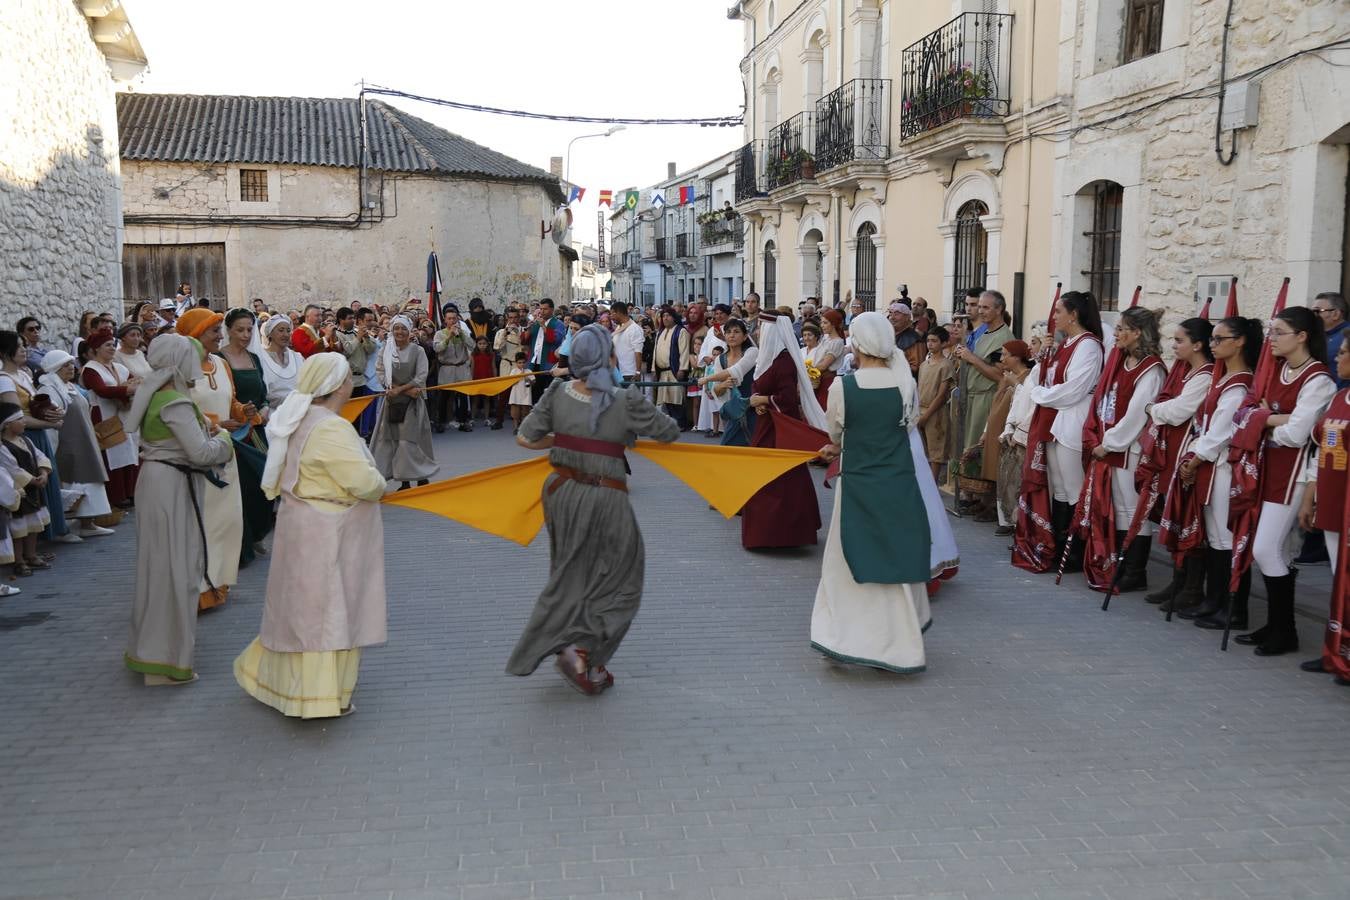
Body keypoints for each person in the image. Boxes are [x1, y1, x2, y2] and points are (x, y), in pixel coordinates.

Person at [508, 325, 681, 694]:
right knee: (624, 577)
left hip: (562, 493)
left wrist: (567, 441)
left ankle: (566, 645)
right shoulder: (625, 399)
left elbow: (525, 437)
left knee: (570, 572)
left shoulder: (556, 392)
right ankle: (582, 649)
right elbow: (668, 431)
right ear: (608, 358)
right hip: (606, 497)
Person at [234, 353, 387, 718]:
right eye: (348, 377)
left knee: (300, 611)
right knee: (328, 611)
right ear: (338, 385)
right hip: (327, 530)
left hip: (300, 524)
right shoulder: (330, 427)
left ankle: (284, 687)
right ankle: (320, 697)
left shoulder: (298, 417)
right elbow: (364, 482)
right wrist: (380, 483)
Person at [810, 311, 933, 673]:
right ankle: (902, 639)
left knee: (848, 565)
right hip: (898, 484)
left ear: (858, 344)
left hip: (859, 487)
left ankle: (852, 639)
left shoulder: (842, 388)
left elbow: (836, 435)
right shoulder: (904, 384)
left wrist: (835, 448)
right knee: (896, 558)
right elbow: (904, 426)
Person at [123, 335, 234, 684]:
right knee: (175, 570)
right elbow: (200, 453)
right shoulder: (174, 402)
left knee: (162, 568)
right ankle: (166, 663)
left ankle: (154, 653)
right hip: (169, 487)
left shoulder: (159, 395)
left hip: (162, 484)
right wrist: (225, 442)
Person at [1238, 307, 1336, 656]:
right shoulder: (1276, 370)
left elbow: (1296, 435)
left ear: (1302, 336)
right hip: (1268, 466)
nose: (1272, 339)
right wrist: (1270, 417)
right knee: (1273, 551)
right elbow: (1244, 413)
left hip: (1294, 474)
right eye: (1271, 331)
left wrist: (1266, 417)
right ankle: (1277, 627)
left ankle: (1286, 630)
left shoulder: (1318, 379)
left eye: (1279, 332)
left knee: (1266, 549)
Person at [1168, 316, 1259, 630]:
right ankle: (1214, 599)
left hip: (1223, 465)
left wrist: (1195, 458)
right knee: (1217, 538)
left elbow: (1223, 429)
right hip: (1209, 464)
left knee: (1227, 537)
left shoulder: (1240, 382)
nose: (1213, 344)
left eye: (1220, 339)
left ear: (1240, 342)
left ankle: (1234, 607)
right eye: (1213, 338)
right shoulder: (1222, 378)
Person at [1014, 290, 1105, 574]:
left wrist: (1041, 394)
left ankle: (1077, 550)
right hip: (1055, 421)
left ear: (1073, 315)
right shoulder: (1065, 345)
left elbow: (1075, 389)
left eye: (1058, 312)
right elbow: (1039, 377)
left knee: (1075, 487)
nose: (1053, 318)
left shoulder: (1089, 346)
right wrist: (1043, 359)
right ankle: (1060, 543)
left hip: (1072, 421)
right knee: (1061, 489)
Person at [1083, 307, 1166, 592]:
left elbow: (1137, 414)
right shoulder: (1122, 361)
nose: (1115, 334)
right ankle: (1121, 563)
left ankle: (1135, 571)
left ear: (1137, 333)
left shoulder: (1151, 369)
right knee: (1120, 507)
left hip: (1131, 448)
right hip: (1113, 444)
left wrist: (1109, 443)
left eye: (1121, 329)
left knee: (1133, 508)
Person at [1140, 318, 1215, 611]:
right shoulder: (1184, 371)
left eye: (1180, 340)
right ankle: (1179, 579)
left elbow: (1180, 410)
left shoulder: (1205, 375)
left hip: (1189, 452)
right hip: (1173, 451)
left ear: (1198, 344)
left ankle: (1193, 586)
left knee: (1188, 519)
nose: (1174, 345)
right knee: (1174, 514)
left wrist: (1152, 409)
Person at [175, 309, 247, 611]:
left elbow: (230, 401)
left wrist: (244, 413)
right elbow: (180, 409)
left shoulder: (220, 363)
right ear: (194, 336)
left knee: (226, 523)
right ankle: (198, 588)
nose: (220, 336)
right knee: (200, 524)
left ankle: (218, 581)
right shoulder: (179, 368)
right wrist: (217, 422)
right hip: (197, 456)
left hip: (224, 453)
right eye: (213, 331)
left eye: (220, 330)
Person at [742, 314, 826, 549]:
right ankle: (764, 534)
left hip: (780, 430)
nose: (759, 331)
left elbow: (787, 400)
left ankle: (783, 535)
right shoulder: (767, 358)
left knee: (781, 481)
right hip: (766, 424)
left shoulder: (784, 361)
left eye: (762, 327)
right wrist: (758, 402)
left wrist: (764, 400)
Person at [1298, 335, 1350, 682]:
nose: (1338, 356)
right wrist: (1309, 496)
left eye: (1344, 352)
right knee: (1339, 580)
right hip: (1332, 503)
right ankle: (1334, 650)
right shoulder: (1341, 397)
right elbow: (1322, 452)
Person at [0, 330, 72, 543]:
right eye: (19, 346)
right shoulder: (4, 380)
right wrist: (50, 423)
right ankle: (34, 544)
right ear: (5, 352)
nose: (24, 350)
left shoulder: (23, 375)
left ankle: (49, 533)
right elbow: (15, 416)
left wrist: (52, 412)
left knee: (46, 480)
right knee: (33, 490)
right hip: (24, 436)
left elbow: (34, 405)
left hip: (37, 434)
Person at [216, 309, 276, 566]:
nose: (245, 334)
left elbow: (262, 390)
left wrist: (263, 407)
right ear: (228, 330)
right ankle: (243, 537)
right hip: (234, 430)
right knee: (242, 486)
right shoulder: (219, 359)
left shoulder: (254, 358)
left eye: (249, 329)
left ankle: (259, 531)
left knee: (265, 482)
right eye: (239, 329)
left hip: (257, 429)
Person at [35, 351, 113, 539]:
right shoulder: (48, 389)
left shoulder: (69, 386)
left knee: (91, 481)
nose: (71, 368)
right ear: (55, 368)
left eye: (71, 364)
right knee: (72, 484)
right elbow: (51, 422)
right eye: (65, 365)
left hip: (84, 442)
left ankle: (88, 523)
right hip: (67, 445)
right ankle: (64, 528)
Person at [370, 315, 436, 490]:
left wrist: (402, 389)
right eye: (396, 328)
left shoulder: (418, 351)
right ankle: (404, 480)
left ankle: (421, 477)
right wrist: (394, 388)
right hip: (393, 401)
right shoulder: (386, 349)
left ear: (409, 331)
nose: (399, 332)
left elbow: (421, 375)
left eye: (403, 329)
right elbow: (381, 371)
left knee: (412, 440)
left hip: (413, 403)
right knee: (396, 440)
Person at [80, 328, 141, 510]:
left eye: (113, 345)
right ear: (97, 348)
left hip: (122, 415)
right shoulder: (90, 369)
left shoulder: (120, 368)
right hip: (103, 415)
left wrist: (130, 387)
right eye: (107, 345)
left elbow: (136, 380)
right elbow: (102, 390)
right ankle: (116, 495)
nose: (112, 348)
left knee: (129, 451)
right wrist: (127, 390)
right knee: (111, 454)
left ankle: (130, 492)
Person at [953, 291, 1013, 462]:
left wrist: (971, 358)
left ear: (999, 309)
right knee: (964, 451)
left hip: (985, 400)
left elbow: (1000, 375)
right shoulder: (984, 334)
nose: (980, 311)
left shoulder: (1004, 337)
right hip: (971, 397)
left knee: (975, 453)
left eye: (985, 307)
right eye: (979, 307)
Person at [994, 340, 1037, 537]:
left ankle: (1019, 526)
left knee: (1020, 484)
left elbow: (1032, 406)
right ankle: (1009, 521)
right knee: (1007, 480)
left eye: (1005, 354)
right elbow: (1015, 405)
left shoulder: (1032, 375)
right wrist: (1008, 429)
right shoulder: (1020, 378)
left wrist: (1019, 431)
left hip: (1024, 436)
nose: (1002, 359)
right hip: (1014, 433)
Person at [699, 318, 758, 447]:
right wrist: (723, 385)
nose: (732, 335)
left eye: (736, 332)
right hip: (735, 412)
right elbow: (716, 391)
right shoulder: (721, 359)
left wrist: (707, 378)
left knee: (755, 449)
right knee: (728, 446)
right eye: (728, 332)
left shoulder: (752, 352)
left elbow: (735, 371)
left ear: (745, 337)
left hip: (754, 408)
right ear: (724, 336)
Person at [915, 327, 955, 484]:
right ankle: (923, 481)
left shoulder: (946, 365)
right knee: (922, 449)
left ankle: (932, 483)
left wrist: (927, 415)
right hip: (921, 408)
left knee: (936, 451)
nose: (930, 344)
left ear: (944, 343)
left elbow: (942, 394)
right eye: (928, 341)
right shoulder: (924, 364)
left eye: (934, 341)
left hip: (936, 412)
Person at [332, 306, 377, 439]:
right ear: (341, 320)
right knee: (346, 414)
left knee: (358, 414)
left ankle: (357, 439)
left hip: (360, 380)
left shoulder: (357, 332)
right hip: (346, 380)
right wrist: (358, 338)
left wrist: (367, 338)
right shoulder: (337, 335)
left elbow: (371, 350)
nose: (353, 321)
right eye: (350, 318)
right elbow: (346, 352)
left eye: (353, 318)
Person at [432, 303, 473, 433]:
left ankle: (463, 421)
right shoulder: (439, 334)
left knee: (463, 397)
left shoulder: (463, 333)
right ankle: (441, 422)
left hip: (461, 367)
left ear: (457, 319)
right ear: (445, 320)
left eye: (454, 318)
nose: (452, 321)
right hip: (447, 368)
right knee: (444, 397)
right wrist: (449, 337)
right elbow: (437, 348)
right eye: (449, 318)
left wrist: (462, 335)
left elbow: (473, 346)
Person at [653, 306, 691, 427]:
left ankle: (681, 423)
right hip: (662, 372)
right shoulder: (660, 332)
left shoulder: (681, 331)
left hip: (675, 370)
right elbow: (655, 351)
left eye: (668, 315)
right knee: (666, 399)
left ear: (674, 317)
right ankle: (672, 423)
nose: (665, 318)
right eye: (663, 316)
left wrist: (682, 368)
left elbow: (684, 351)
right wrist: (654, 369)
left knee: (676, 399)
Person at [526, 299, 565, 404]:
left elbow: (555, 340)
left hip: (547, 364)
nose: (542, 312)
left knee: (546, 394)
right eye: (541, 309)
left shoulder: (558, 324)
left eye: (545, 309)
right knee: (533, 394)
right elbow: (524, 340)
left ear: (552, 310)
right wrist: (529, 327)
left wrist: (544, 326)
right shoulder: (536, 322)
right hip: (533, 362)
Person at [506, 352, 533, 433]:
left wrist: (528, 379)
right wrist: (519, 376)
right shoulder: (514, 371)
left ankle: (523, 428)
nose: (521, 364)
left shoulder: (528, 371)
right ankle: (515, 428)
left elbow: (533, 381)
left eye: (523, 362)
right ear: (516, 363)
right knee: (515, 413)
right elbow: (511, 382)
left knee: (525, 412)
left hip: (526, 395)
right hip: (516, 395)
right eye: (519, 363)